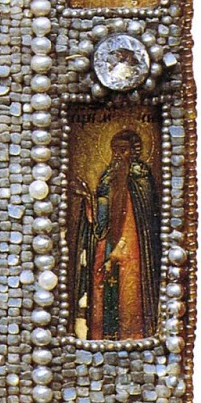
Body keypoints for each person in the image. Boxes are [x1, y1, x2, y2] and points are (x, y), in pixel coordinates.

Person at [71, 128, 161, 341]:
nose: (119, 155)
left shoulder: (141, 176)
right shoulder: (107, 176)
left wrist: (121, 247)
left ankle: (134, 337)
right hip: (106, 243)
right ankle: (101, 336)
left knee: (128, 291)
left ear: (134, 151)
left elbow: (141, 216)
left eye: (124, 149)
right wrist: (89, 200)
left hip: (131, 243)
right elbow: (100, 221)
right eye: (115, 150)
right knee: (102, 288)